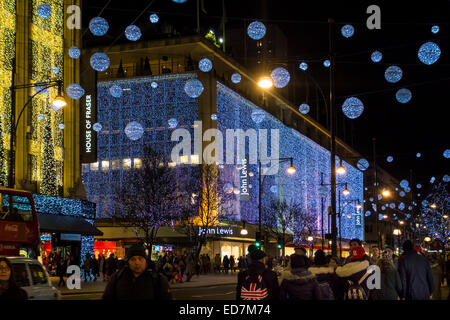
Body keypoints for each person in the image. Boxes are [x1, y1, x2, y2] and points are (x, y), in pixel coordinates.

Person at [103, 244, 171, 300]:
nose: (137, 262)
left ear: (145, 261)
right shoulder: (117, 278)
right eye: (133, 259)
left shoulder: (158, 280)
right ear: (128, 262)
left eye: (140, 259)